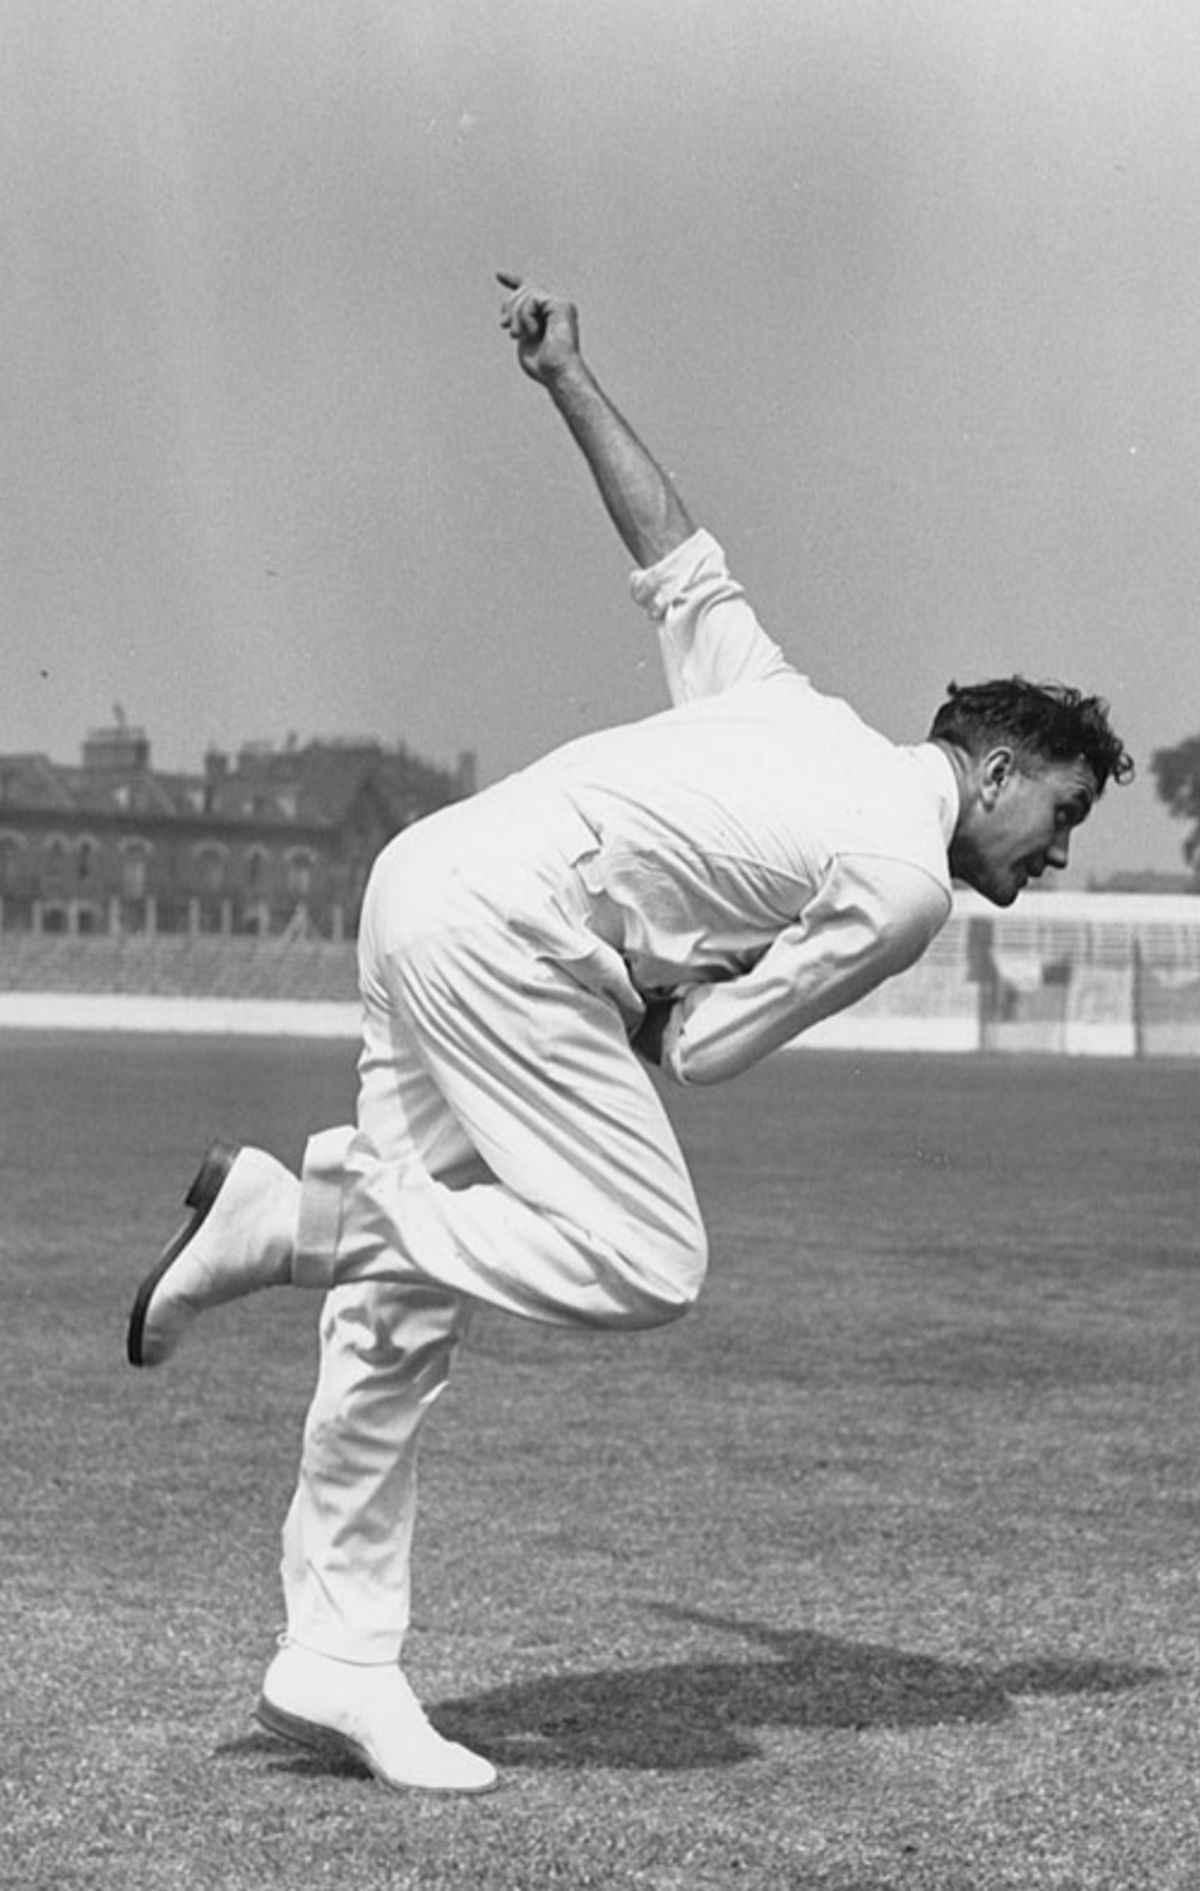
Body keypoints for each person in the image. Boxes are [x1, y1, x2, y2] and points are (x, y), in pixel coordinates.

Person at [127, 274, 1132, 1796]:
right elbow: (714, 1050)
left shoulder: (794, 709)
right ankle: (306, 1212)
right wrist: (681, 997)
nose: (1055, 855)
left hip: (422, 886)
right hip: (511, 934)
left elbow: (677, 558)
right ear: (993, 771)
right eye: (1059, 816)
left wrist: (567, 377)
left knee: (400, 1327)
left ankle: (334, 1662)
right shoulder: (904, 878)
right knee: (651, 1259)